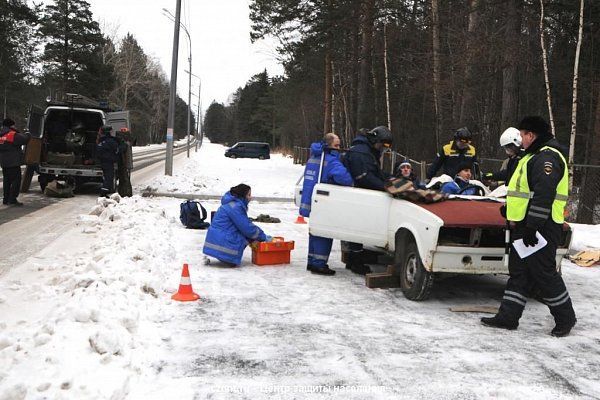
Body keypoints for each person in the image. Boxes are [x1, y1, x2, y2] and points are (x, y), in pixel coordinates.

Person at [481, 116, 577, 337]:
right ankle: (508, 318)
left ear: (531, 135)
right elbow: (524, 192)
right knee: (519, 272)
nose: (520, 138)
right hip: (527, 225)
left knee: (544, 274)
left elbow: (544, 195)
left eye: (522, 134)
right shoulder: (532, 156)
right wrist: (511, 209)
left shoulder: (547, 158)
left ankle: (566, 318)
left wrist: (532, 226)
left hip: (541, 226)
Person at [300, 133, 353, 276]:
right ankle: (319, 264)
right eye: (336, 145)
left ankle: (312, 261)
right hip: (324, 202)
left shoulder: (313, 158)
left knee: (314, 231)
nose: (339, 148)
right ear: (329, 145)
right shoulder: (331, 161)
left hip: (311, 201)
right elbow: (345, 179)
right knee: (323, 234)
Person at [343, 126, 393, 274]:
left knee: (358, 226)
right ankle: (355, 261)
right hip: (357, 194)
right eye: (381, 145)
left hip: (360, 194)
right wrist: (385, 186)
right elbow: (364, 176)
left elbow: (374, 172)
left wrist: (390, 178)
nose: (382, 149)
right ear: (374, 140)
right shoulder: (361, 153)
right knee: (357, 226)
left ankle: (354, 259)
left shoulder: (368, 151)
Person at [203, 184, 271, 266]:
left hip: (216, 242)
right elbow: (248, 228)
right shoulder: (235, 207)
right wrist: (263, 237)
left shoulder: (232, 204)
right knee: (249, 235)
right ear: (243, 196)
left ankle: (226, 256)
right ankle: (228, 257)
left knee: (248, 235)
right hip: (223, 247)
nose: (251, 197)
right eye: (249, 195)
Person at [0, 118, 29, 206]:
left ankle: (6, 199)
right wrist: (28, 133)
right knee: (16, 180)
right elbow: (25, 139)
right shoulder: (12, 134)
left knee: (7, 180)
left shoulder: (1, 135)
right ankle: (12, 199)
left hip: (4, 162)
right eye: (14, 125)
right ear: (11, 125)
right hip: (13, 162)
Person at [96, 125, 119, 196]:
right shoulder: (110, 141)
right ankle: (103, 193)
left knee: (107, 177)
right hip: (108, 162)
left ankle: (104, 192)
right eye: (111, 131)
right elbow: (117, 150)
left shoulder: (100, 141)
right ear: (108, 132)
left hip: (103, 162)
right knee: (109, 178)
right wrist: (123, 146)